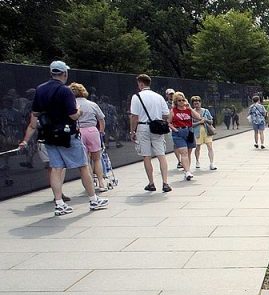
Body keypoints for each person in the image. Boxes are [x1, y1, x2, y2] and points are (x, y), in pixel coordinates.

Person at [18, 61, 108, 215]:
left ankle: (59, 203)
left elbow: (35, 115)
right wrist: (79, 111)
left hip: (49, 135)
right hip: (67, 134)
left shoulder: (40, 89)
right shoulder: (65, 91)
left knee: (56, 168)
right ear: (65, 73)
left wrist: (27, 138)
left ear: (51, 72)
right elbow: (73, 115)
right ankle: (93, 199)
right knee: (83, 166)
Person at [130, 73, 172, 192]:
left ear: (141, 83)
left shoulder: (136, 97)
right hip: (157, 127)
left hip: (143, 127)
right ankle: (165, 182)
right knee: (161, 154)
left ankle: (151, 183)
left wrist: (133, 131)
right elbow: (166, 114)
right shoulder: (158, 97)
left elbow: (134, 116)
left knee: (146, 156)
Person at [69, 83, 109, 192]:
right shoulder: (92, 104)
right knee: (97, 158)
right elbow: (101, 119)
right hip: (92, 130)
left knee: (85, 161)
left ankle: (90, 184)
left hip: (79, 131)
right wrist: (101, 131)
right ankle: (101, 183)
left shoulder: (71, 104)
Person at [169, 91, 205, 180]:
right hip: (179, 132)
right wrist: (174, 129)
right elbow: (169, 122)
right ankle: (188, 172)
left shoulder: (188, 110)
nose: (181, 102)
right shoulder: (173, 111)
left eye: (183, 100)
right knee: (183, 152)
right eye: (179, 100)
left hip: (189, 131)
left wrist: (190, 108)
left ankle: (186, 170)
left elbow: (199, 117)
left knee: (188, 153)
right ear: (176, 102)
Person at [190, 95, 216, 170]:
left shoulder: (206, 111)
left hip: (207, 131)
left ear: (200, 103)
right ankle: (197, 161)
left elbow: (211, 121)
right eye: (195, 103)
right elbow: (191, 124)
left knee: (210, 147)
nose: (197, 104)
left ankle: (211, 163)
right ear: (193, 104)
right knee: (198, 147)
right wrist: (199, 122)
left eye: (198, 103)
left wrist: (206, 120)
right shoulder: (192, 112)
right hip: (197, 132)